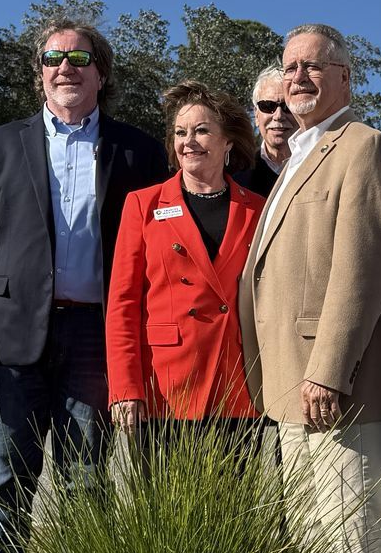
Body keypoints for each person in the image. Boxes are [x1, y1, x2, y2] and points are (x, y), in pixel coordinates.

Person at [0, 19, 165, 553]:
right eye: (52, 58)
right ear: (39, 73)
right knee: (4, 476)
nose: (64, 67)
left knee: (86, 480)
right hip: (12, 338)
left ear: (101, 72)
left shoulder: (137, 149)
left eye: (78, 58)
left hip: (96, 337)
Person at [239, 23, 381, 553]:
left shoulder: (362, 146)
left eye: (312, 66)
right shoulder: (299, 154)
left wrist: (329, 371)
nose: (297, 77)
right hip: (291, 393)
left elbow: (363, 266)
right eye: (289, 67)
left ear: (344, 79)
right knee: (314, 552)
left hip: (337, 391)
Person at [107, 82, 264, 453]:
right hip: (165, 388)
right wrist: (125, 388)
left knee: (235, 507)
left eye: (202, 130)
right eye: (180, 132)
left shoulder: (259, 209)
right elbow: (122, 306)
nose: (188, 141)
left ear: (228, 142)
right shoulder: (143, 205)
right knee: (163, 509)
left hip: (235, 384)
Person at [234, 64, 294, 197]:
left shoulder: (320, 166)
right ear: (256, 115)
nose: (278, 115)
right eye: (267, 106)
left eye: (288, 106)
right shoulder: (235, 175)